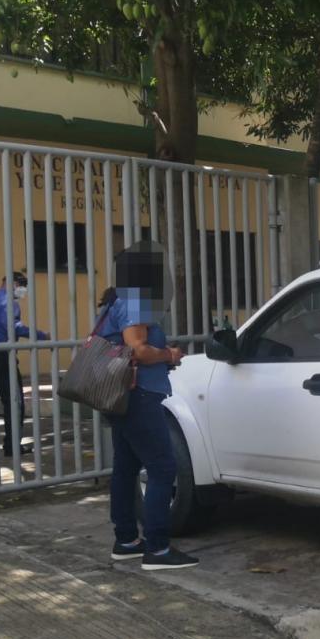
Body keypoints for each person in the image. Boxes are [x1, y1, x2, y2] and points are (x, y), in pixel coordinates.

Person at [98, 242, 198, 571]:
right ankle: (157, 548)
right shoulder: (135, 301)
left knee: (126, 468)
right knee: (162, 468)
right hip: (139, 396)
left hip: (121, 397)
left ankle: (126, 540)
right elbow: (138, 350)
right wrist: (169, 355)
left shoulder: (115, 300)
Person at [0, 271, 48, 456]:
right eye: (22, 286)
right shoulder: (9, 303)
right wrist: (42, 335)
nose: (23, 291)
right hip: (0, 353)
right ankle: (12, 445)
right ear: (14, 284)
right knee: (13, 399)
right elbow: (14, 328)